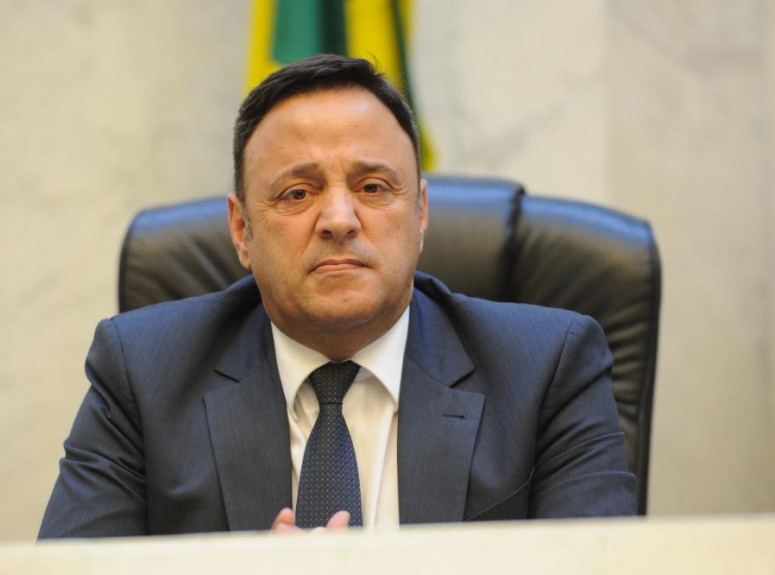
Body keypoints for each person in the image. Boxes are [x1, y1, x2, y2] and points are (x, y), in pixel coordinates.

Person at [38, 54, 636, 538]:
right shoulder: (143, 374)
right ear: (242, 230)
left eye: (372, 187)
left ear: (420, 213)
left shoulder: (547, 369)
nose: (340, 220)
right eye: (297, 194)